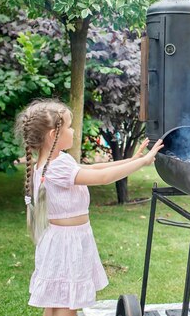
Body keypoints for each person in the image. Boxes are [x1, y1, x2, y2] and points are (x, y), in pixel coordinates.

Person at [14, 99, 163, 315]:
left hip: (59, 240)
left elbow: (96, 167)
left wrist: (132, 159)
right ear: (53, 135)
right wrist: (143, 162)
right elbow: (102, 177)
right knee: (67, 303)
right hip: (68, 242)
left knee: (56, 301)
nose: (73, 131)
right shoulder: (59, 166)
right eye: (68, 126)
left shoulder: (50, 163)